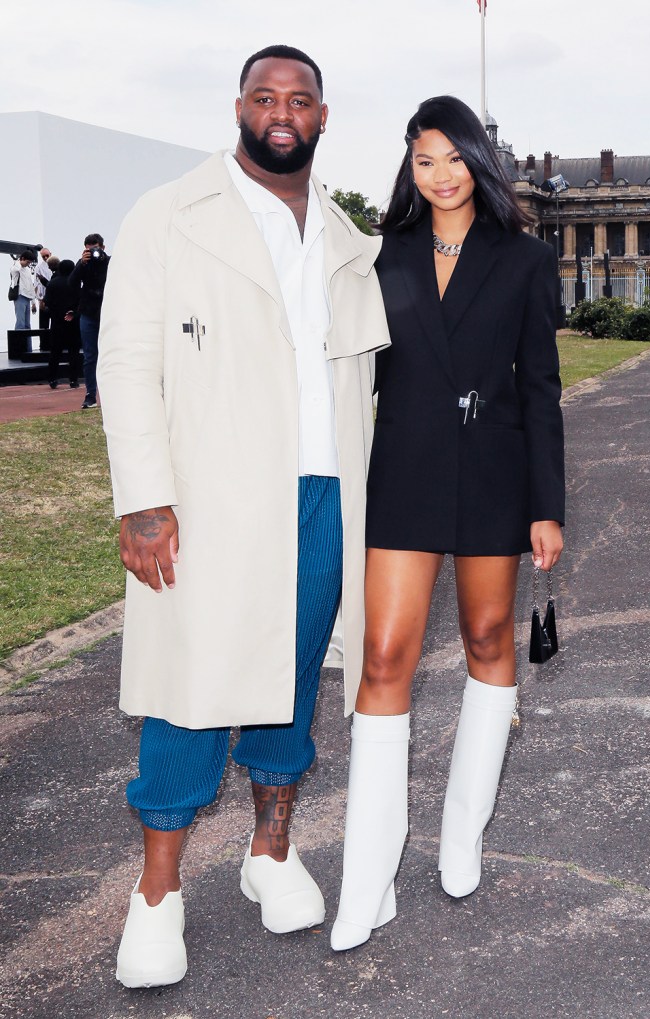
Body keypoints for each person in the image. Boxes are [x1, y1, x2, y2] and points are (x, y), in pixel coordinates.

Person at [97, 44, 389, 989]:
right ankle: (157, 895)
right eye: (265, 96)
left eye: (299, 99)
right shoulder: (169, 215)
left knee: (293, 681)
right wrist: (144, 497)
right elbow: (126, 361)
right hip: (210, 493)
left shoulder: (345, 239)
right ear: (238, 108)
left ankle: (270, 852)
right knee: (191, 687)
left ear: (322, 117)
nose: (281, 112)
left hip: (324, 492)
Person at [330, 95, 565, 952]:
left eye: (455, 157)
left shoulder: (526, 259)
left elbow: (540, 385)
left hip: (496, 473)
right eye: (425, 160)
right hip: (405, 469)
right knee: (384, 654)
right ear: (410, 166)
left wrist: (547, 505)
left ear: (479, 161)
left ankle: (462, 833)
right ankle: (368, 879)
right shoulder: (379, 252)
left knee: (488, 637)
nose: (442, 175)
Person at [69, 233, 109, 408]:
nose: (93, 253)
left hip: (108, 313)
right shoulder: (83, 264)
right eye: (89, 250)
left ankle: (111, 395)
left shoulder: (111, 263)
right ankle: (90, 395)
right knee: (90, 356)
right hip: (88, 313)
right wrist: (81, 264)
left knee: (111, 354)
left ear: (103, 248)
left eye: (96, 249)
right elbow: (71, 283)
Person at [44, 259, 81, 388]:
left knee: (55, 351)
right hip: (73, 321)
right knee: (73, 352)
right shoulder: (75, 283)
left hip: (57, 321)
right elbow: (79, 301)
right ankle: (73, 380)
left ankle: (52, 379)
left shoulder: (52, 283)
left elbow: (48, 302)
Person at [10, 250, 37, 329]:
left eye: (29, 263)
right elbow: (17, 268)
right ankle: (18, 337)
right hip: (20, 296)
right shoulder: (15, 267)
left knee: (27, 324)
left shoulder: (27, 270)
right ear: (22, 258)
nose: (28, 264)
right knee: (20, 323)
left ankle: (27, 338)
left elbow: (30, 285)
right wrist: (19, 261)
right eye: (27, 262)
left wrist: (33, 302)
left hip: (28, 297)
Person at [34, 247, 53, 331]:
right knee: (43, 324)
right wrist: (39, 299)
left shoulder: (56, 264)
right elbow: (36, 284)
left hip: (54, 298)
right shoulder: (38, 267)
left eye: (47, 255)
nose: (45, 257)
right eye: (43, 256)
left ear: (50, 254)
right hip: (44, 298)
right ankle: (43, 339)